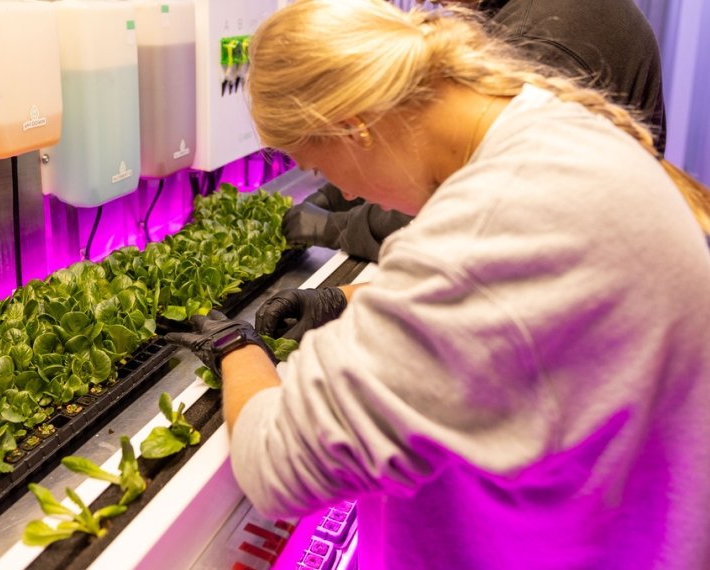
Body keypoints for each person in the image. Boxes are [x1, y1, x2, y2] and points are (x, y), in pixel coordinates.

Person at [167, 1, 710, 568]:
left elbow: (275, 462)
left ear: (353, 126)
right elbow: (522, 308)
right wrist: (347, 301)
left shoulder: (488, 228)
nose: (344, 193)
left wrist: (237, 348)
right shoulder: (547, 125)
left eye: (322, 168)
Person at [285, 0, 669, 262]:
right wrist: (339, 192)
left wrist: (336, 227)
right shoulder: (521, 13)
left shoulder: (540, 38)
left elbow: (460, 205)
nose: (425, 3)